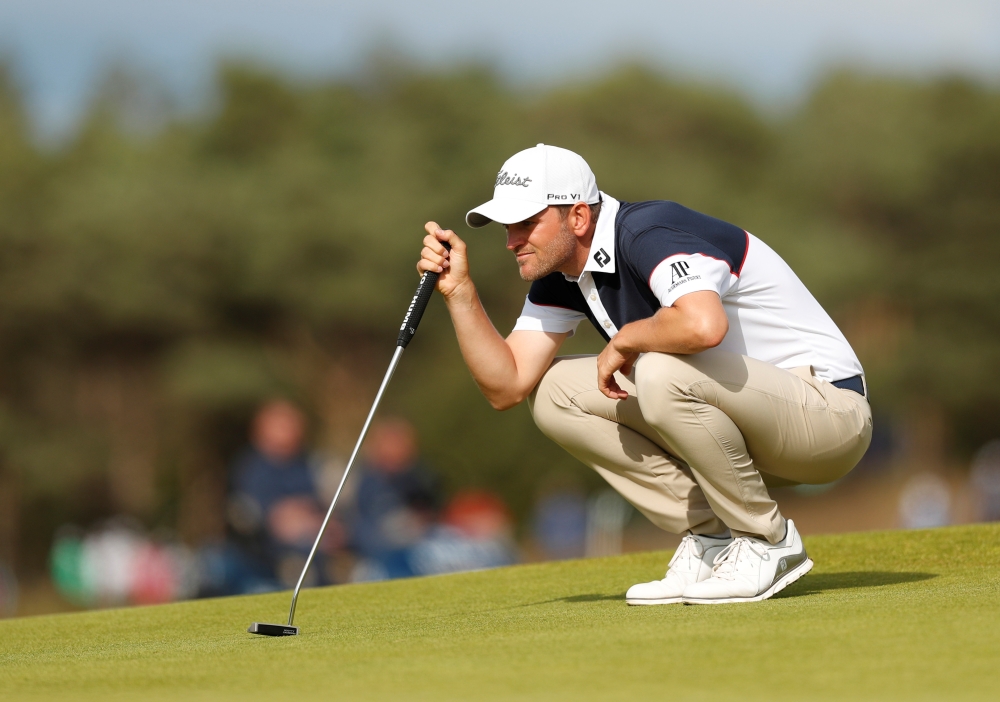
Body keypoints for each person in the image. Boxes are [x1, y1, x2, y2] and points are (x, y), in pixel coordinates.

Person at [416, 144, 872, 605]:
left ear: (577, 218)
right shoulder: (561, 274)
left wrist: (625, 339)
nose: (512, 240)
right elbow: (506, 385)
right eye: (508, 227)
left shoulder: (649, 231)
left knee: (658, 368)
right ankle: (712, 540)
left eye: (527, 223)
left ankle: (767, 543)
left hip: (828, 415)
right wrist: (460, 292)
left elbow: (703, 325)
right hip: (748, 431)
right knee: (554, 392)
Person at [225, 399, 331, 591]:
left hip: (315, 554)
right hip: (264, 561)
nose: (292, 429)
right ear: (262, 430)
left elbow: (327, 513)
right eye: (283, 424)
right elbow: (277, 522)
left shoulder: (308, 464)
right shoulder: (251, 469)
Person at [348, 417, 441, 580]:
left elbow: (433, 513)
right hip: (381, 556)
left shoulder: (420, 477)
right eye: (392, 442)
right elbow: (362, 529)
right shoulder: (365, 481)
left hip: (421, 550)